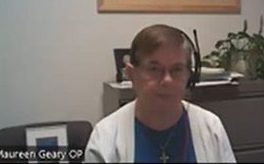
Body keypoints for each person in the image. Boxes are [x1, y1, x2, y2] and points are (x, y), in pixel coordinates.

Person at [86, 24, 235, 163]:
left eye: (177, 69)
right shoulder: (105, 137)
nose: (167, 80)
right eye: (154, 69)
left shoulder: (211, 127)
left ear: (189, 76)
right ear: (132, 75)